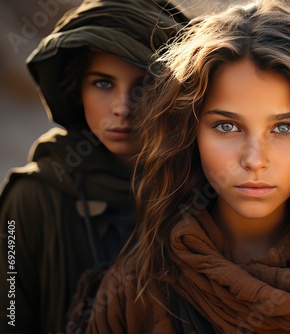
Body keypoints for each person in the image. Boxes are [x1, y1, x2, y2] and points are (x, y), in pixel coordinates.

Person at [86, 1, 290, 333]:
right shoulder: (138, 288)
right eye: (228, 126)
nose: (255, 160)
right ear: (191, 132)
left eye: (283, 128)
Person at [0, 0, 190, 332]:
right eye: (103, 83)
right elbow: (11, 315)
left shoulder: (196, 190)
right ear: (77, 90)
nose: (122, 108)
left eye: (144, 85)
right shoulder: (31, 197)